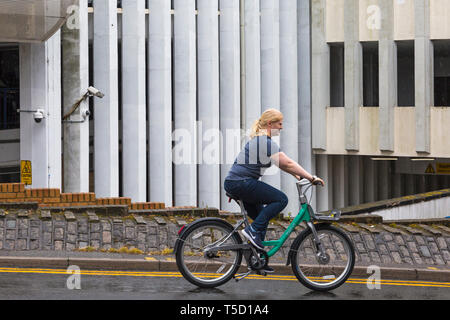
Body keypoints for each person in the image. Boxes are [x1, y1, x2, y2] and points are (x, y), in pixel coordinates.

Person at [224, 108, 325, 273]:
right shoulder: (265, 141)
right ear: (270, 124)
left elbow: (282, 164)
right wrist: (310, 177)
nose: (282, 127)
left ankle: (257, 260)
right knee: (281, 200)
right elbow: (288, 163)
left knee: (261, 218)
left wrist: (295, 175)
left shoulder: (261, 140)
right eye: (280, 123)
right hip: (241, 183)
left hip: (237, 183)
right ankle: (252, 231)